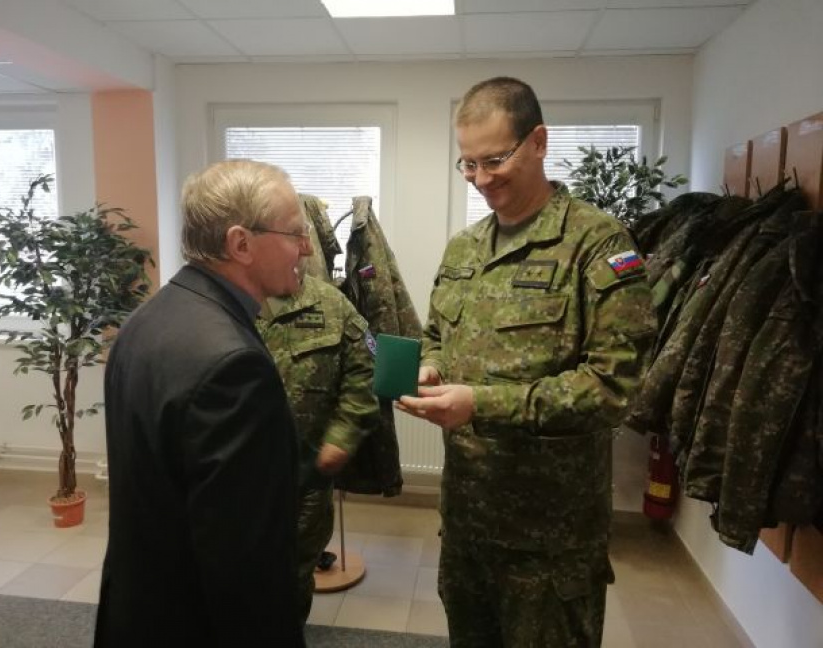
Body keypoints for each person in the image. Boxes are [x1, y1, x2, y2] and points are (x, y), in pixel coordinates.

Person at [397, 77, 657, 647]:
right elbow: (437, 335)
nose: (481, 178)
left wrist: (481, 404)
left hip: (550, 539)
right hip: (467, 522)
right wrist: (431, 366)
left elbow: (614, 387)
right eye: (468, 164)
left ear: (538, 142)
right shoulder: (465, 248)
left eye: (495, 160)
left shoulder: (597, 243)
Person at [94, 160, 311, 647]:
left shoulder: (147, 320)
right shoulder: (233, 365)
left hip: (139, 607)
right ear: (241, 244)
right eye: (295, 233)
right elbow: (244, 560)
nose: (307, 248)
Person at [256, 271, 380, 625]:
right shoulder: (228, 302)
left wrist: (342, 435)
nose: (303, 248)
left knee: (295, 574)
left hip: (306, 476)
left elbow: (365, 372)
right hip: (237, 478)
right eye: (292, 241)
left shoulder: (332, 305)